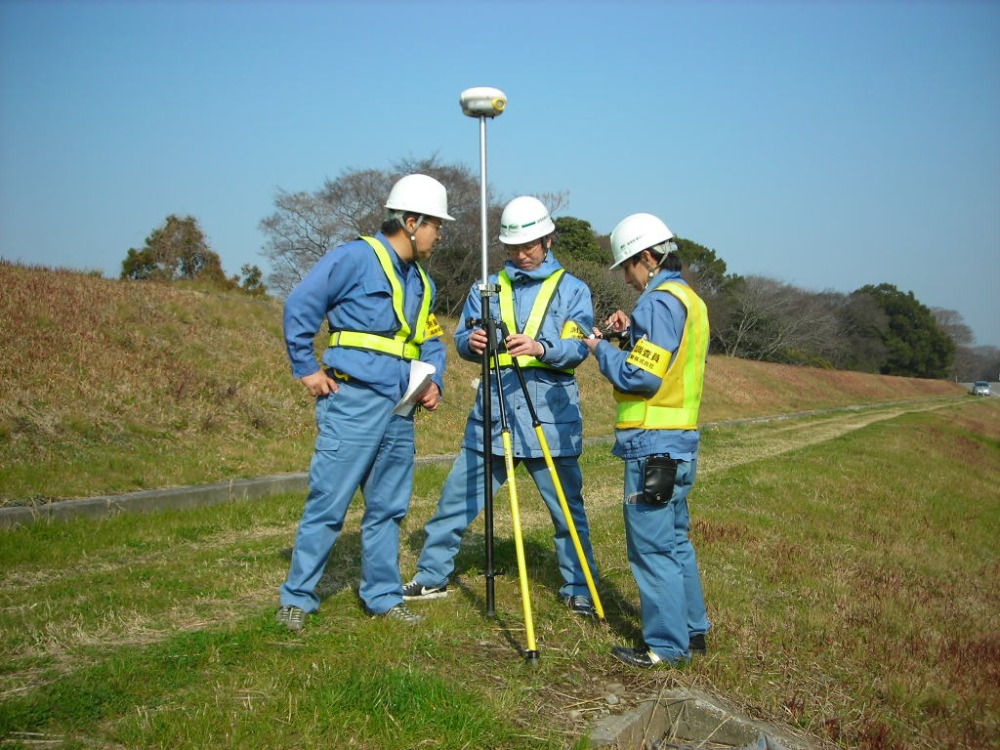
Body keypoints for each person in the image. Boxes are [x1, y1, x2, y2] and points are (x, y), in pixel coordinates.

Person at [403, 196, 600, 616]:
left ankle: (580, 586)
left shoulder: (573, 290)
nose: (521, 254)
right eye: (513, 247)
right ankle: (431, 575)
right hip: (493, 416)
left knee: (567, 512)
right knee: (455, 501)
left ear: (548, 240)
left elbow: (578, 346)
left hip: (551, 420)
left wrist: (541, 347)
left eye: (529, 245)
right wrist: (470, 343)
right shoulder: (485, 288)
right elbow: (461, 339)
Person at [276, 173, 451, 631]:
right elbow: (300, 306)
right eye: (435, 224)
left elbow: (431, 342)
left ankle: (383, 596)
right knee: (328, 504)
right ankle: (297, 597)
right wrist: (307, 369)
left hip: (399, 408)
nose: (439, 235)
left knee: (388, 508)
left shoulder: (422, 282)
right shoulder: (354, 257)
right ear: (411, 221)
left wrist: (435, 382)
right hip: (352, 400)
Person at [583, 212, 711, 667]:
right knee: (676, 541)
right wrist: (630, 333)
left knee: (652, 549)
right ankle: (693, 632)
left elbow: (640, 377)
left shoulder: (657, 303)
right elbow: (667, 359)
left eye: (627, 267)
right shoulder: (689, 300)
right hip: (680, 440)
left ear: (645, 257)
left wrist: (602, 350)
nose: (627, 278)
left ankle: (665, 647)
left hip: (652, 444)